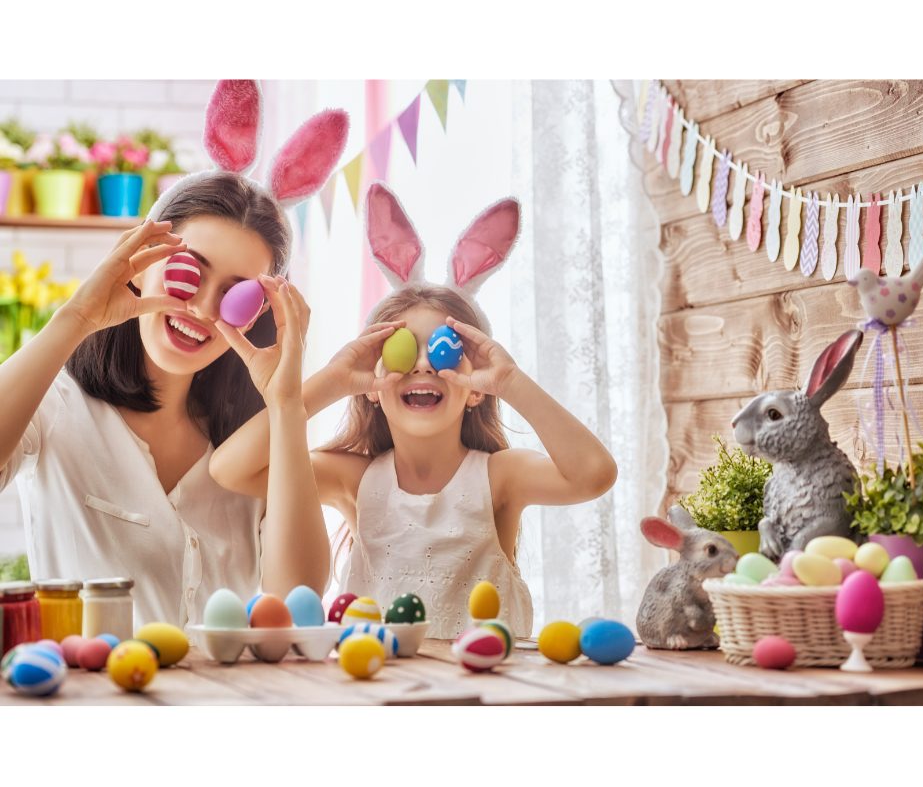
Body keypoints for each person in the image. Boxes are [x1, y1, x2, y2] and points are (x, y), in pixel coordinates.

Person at [0, 80, 348, 628]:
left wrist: (286, 407)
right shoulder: (57, 406)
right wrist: (76, 318)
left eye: (236, 295)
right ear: (142, 260)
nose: (204, 311)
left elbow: (296, 602)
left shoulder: (250, 439)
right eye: (189, 273)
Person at [210, 183, 618, 638]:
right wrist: (331, 380)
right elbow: (230, 470)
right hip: (380, 692)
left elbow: (594, 473)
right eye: (403, 351)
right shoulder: (353, 480)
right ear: (371, 384)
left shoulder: (499, 477)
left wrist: (511, 382)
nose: (423, 362)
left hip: (483, 697)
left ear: (476, 388)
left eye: (445, 351)